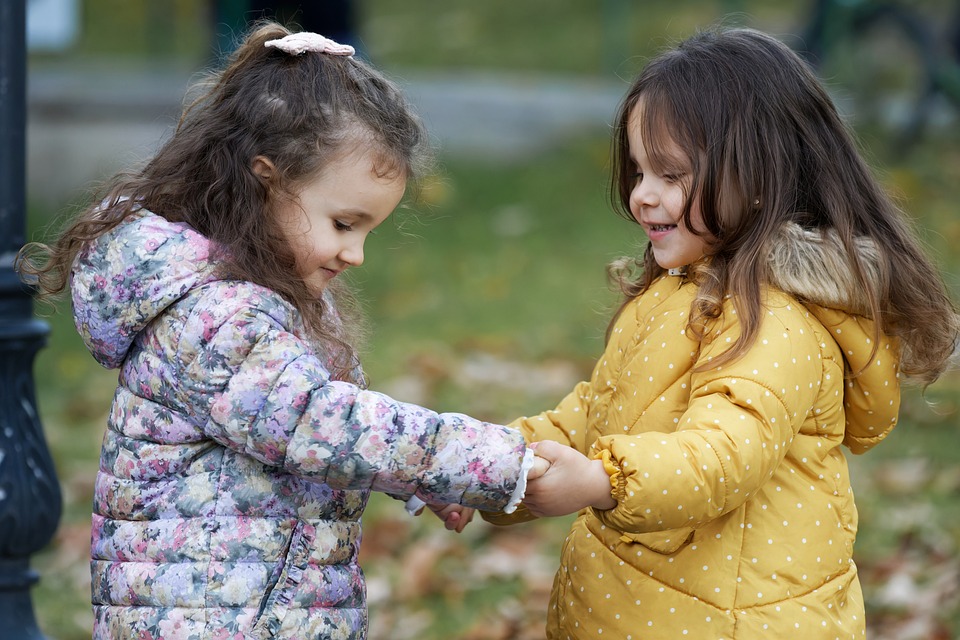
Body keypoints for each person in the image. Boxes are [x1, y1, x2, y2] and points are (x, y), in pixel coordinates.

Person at [17, 23, 546, 640]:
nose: (356, 254)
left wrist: (412, 475)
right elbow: (318, 424)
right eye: (344, 223)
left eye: (368, 230)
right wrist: (488, 462)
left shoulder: (254, 299)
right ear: (265, 181)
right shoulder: (214, 318)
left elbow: (297, 432)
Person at [476, 27, 959, 639]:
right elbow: (600, 415)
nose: (642, 195)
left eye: (670, 175)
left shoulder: (778, 320)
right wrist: (485, 464)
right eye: (639, 170)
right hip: (643, 608)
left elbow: (722, 456)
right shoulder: (682, 289)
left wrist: (602, 480)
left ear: (759, 177)